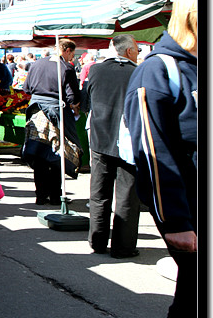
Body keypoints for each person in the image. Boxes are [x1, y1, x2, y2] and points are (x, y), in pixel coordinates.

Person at [123, 0, 197, 318]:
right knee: (194, 305)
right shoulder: (158, 69)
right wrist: (176, 222)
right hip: (192, 211)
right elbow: (154, 153)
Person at [81, 35, 141, 259]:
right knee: (126, 196)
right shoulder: (138, 73)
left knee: (99, 192)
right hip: (128, 142)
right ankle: (123, 247)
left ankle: (97, 241)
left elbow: (85, 102)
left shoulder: (95, 70)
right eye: (136, 49)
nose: (138, 53)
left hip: (100, 139)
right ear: (128, 52)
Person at [22, 38, 82, 205]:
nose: (72, 58)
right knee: (56, 155)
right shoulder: (66, 68)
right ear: (67, 50)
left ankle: (40, 196)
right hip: (56, 113)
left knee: (39, 155)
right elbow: (72, 96)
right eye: (72, 54)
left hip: (36, 112)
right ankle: (56, 196)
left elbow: (26, 88)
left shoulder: (36, 64)